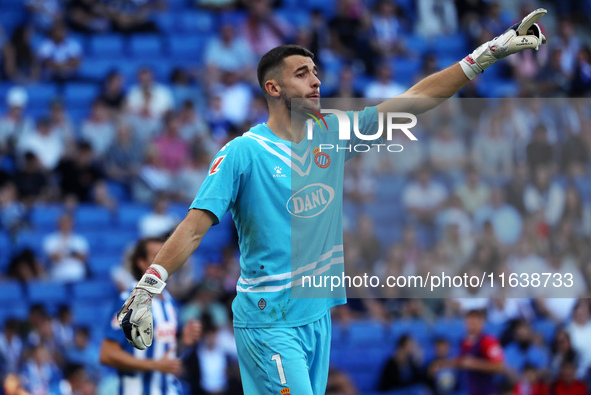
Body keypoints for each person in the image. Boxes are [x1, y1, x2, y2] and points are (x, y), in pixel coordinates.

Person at [116, 10, 547, 394]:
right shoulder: (243, 152)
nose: (317, 80)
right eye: (302, 73)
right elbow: (194, 226)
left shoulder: (331, 133)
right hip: (270, 319)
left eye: (316, 71)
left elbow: (412, 102)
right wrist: (147, 289)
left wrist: (489, 52)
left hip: (315, 316)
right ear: (273, 87)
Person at [100, 237, 201, 395]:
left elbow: (165, 352)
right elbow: (107, 354)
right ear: (141, 263)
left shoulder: (169, 302)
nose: (166, 260)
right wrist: (155, 365)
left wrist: (183, 343)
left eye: (167, 254)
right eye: (157, 256)